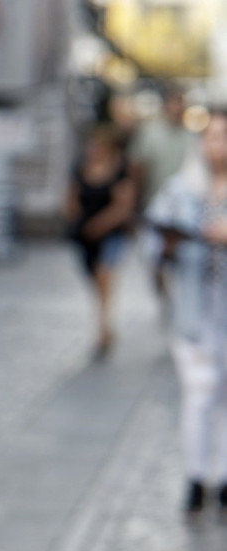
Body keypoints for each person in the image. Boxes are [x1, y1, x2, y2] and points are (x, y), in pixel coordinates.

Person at [146, 109, 227, 515]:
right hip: (193, 310)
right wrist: (170, 244)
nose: (219, 146)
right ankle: (196, 476)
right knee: (199, 392)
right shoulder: (181, 189)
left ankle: (224, 474)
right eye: (213, 137)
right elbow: (153, 245)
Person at [64, 123, 138, 359]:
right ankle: (104, 320)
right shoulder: (80, 168)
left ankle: (103, 327)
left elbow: (123, 206)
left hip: (111, 233)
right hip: (85, 235)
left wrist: (100, 225)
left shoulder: (119, 169)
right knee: (94, 279)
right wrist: (77, 221)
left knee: (105, 275)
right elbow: (70, 199)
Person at [129, 86, 196, 315]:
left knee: (182, 260)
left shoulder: (191, 137)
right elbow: (137, 168)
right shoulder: (150, 133)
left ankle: (181, 303)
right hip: (153, 208)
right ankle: (165, 298)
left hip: (183, 212)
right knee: (153, 261)